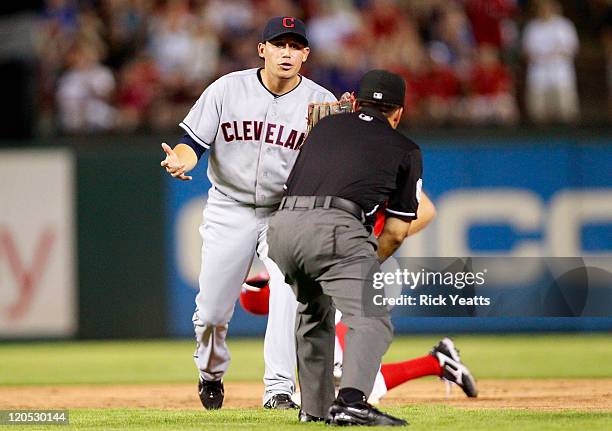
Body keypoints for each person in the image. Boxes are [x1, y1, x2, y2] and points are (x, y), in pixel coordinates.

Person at [160, 16, 336, 410]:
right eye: (279, 44)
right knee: (210, 313)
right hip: (230, 208)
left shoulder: (321, 102)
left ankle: (278, 389)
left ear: (306, 54)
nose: (287, 53)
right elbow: (192, 142)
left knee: (287, 293)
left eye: (295, 46)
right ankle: (210, 372)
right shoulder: (228, 89)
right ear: (263, 50)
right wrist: (181, 162)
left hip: (283, 212)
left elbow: (331, 167)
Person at [267, 69, 425, 426]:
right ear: (398, 112)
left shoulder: (323, 128)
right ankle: (352, 402)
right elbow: (397, 231)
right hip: (336, 228)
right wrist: (364, 263)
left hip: (282, 228)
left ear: (354, 102)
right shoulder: (406, 148)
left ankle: (314, 410)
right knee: (372, 320)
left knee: (313, 315)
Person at [241, 194, 477, 407]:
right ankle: (436, 362)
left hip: (368, 267)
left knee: (350, 387)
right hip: (328, 264)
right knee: (345, 382)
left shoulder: (380, 159)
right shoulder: (325, 163)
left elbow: (425, 210)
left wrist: (371, 239)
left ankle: (433, 363)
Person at [522, 0, 580, 124]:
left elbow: (572, 48)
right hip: (538, 76)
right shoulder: (532, 27)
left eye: (548, 7)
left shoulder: (564, 25)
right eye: (542, 8)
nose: (545, 10)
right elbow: (526, 52)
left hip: (561, 76)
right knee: (538, 113)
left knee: (567, 112)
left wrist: (555, 54)